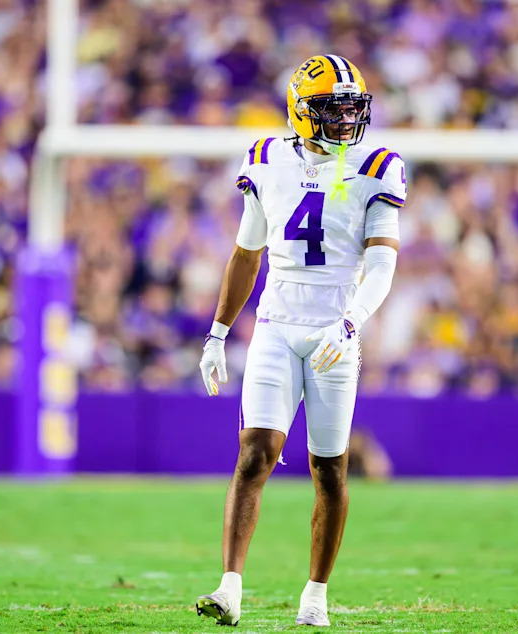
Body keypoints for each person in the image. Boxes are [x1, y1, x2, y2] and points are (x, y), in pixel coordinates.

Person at [196, 55, 405, 627]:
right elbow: (246, 254)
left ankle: (315, 596)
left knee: (329, 469)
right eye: (334, 109)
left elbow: (382, 266)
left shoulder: (379, 166)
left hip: (336, 327)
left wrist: (350, 322)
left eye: (353, 109)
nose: (347, 120)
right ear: (302, 111)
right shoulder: (266, 159)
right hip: (276, 323)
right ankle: (229, 589)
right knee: (254, 453)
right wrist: (217, 333)